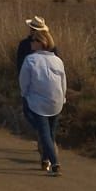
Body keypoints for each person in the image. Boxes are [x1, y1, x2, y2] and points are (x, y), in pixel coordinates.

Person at [19, 33, 68, 175]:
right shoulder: (57, 60)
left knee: (44, 133)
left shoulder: (30, 60)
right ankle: (45, 160)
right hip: (56, 100)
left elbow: (24, 82)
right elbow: (63, 81)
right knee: (50, 132)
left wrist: (25, 96)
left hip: (38, 102)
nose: (31, 42)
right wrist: (63, 98)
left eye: (34, 40)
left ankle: (55, 163)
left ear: (41, 43)